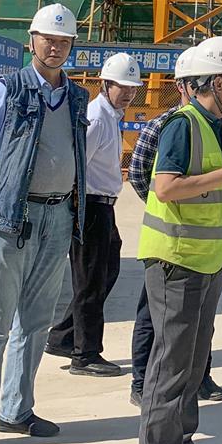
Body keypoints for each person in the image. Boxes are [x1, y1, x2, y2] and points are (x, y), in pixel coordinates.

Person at [136, 36, 222, 444]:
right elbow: (165, 188)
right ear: (217, 83)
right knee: (171, 365)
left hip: (207, 262)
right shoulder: (182, 124)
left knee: (191, 364)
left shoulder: (218, 127)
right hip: (176, 262)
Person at [0, 4, 89, 444]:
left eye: (63, 41)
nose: (55, 47)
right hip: (10, 220)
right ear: (32, 40)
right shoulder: (8, 89)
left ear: (71, 45)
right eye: (48, 39)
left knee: (37, 322)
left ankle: (16, 410)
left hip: (58, 216)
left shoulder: (76, 97)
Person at [127, 47, 222, 406]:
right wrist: (165, 207)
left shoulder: (216, 126)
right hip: (171, 247)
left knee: (197, 329)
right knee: (154, 321)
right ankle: (142, 381)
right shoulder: (170, 125)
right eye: (188, 82)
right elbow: (142, 176)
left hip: (204, 250)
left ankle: (199, 380)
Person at [46, 52, 142, 377]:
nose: (128, 93)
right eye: (122, 87)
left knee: (108, 270)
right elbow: (76, 166)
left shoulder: (110, 115)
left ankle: (64, 336)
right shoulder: (97, 118)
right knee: (91, 281)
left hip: (104, 206)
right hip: (90, 207)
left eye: (132, 88)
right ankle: (85, 355)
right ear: (105, 84)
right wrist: (75, 210)